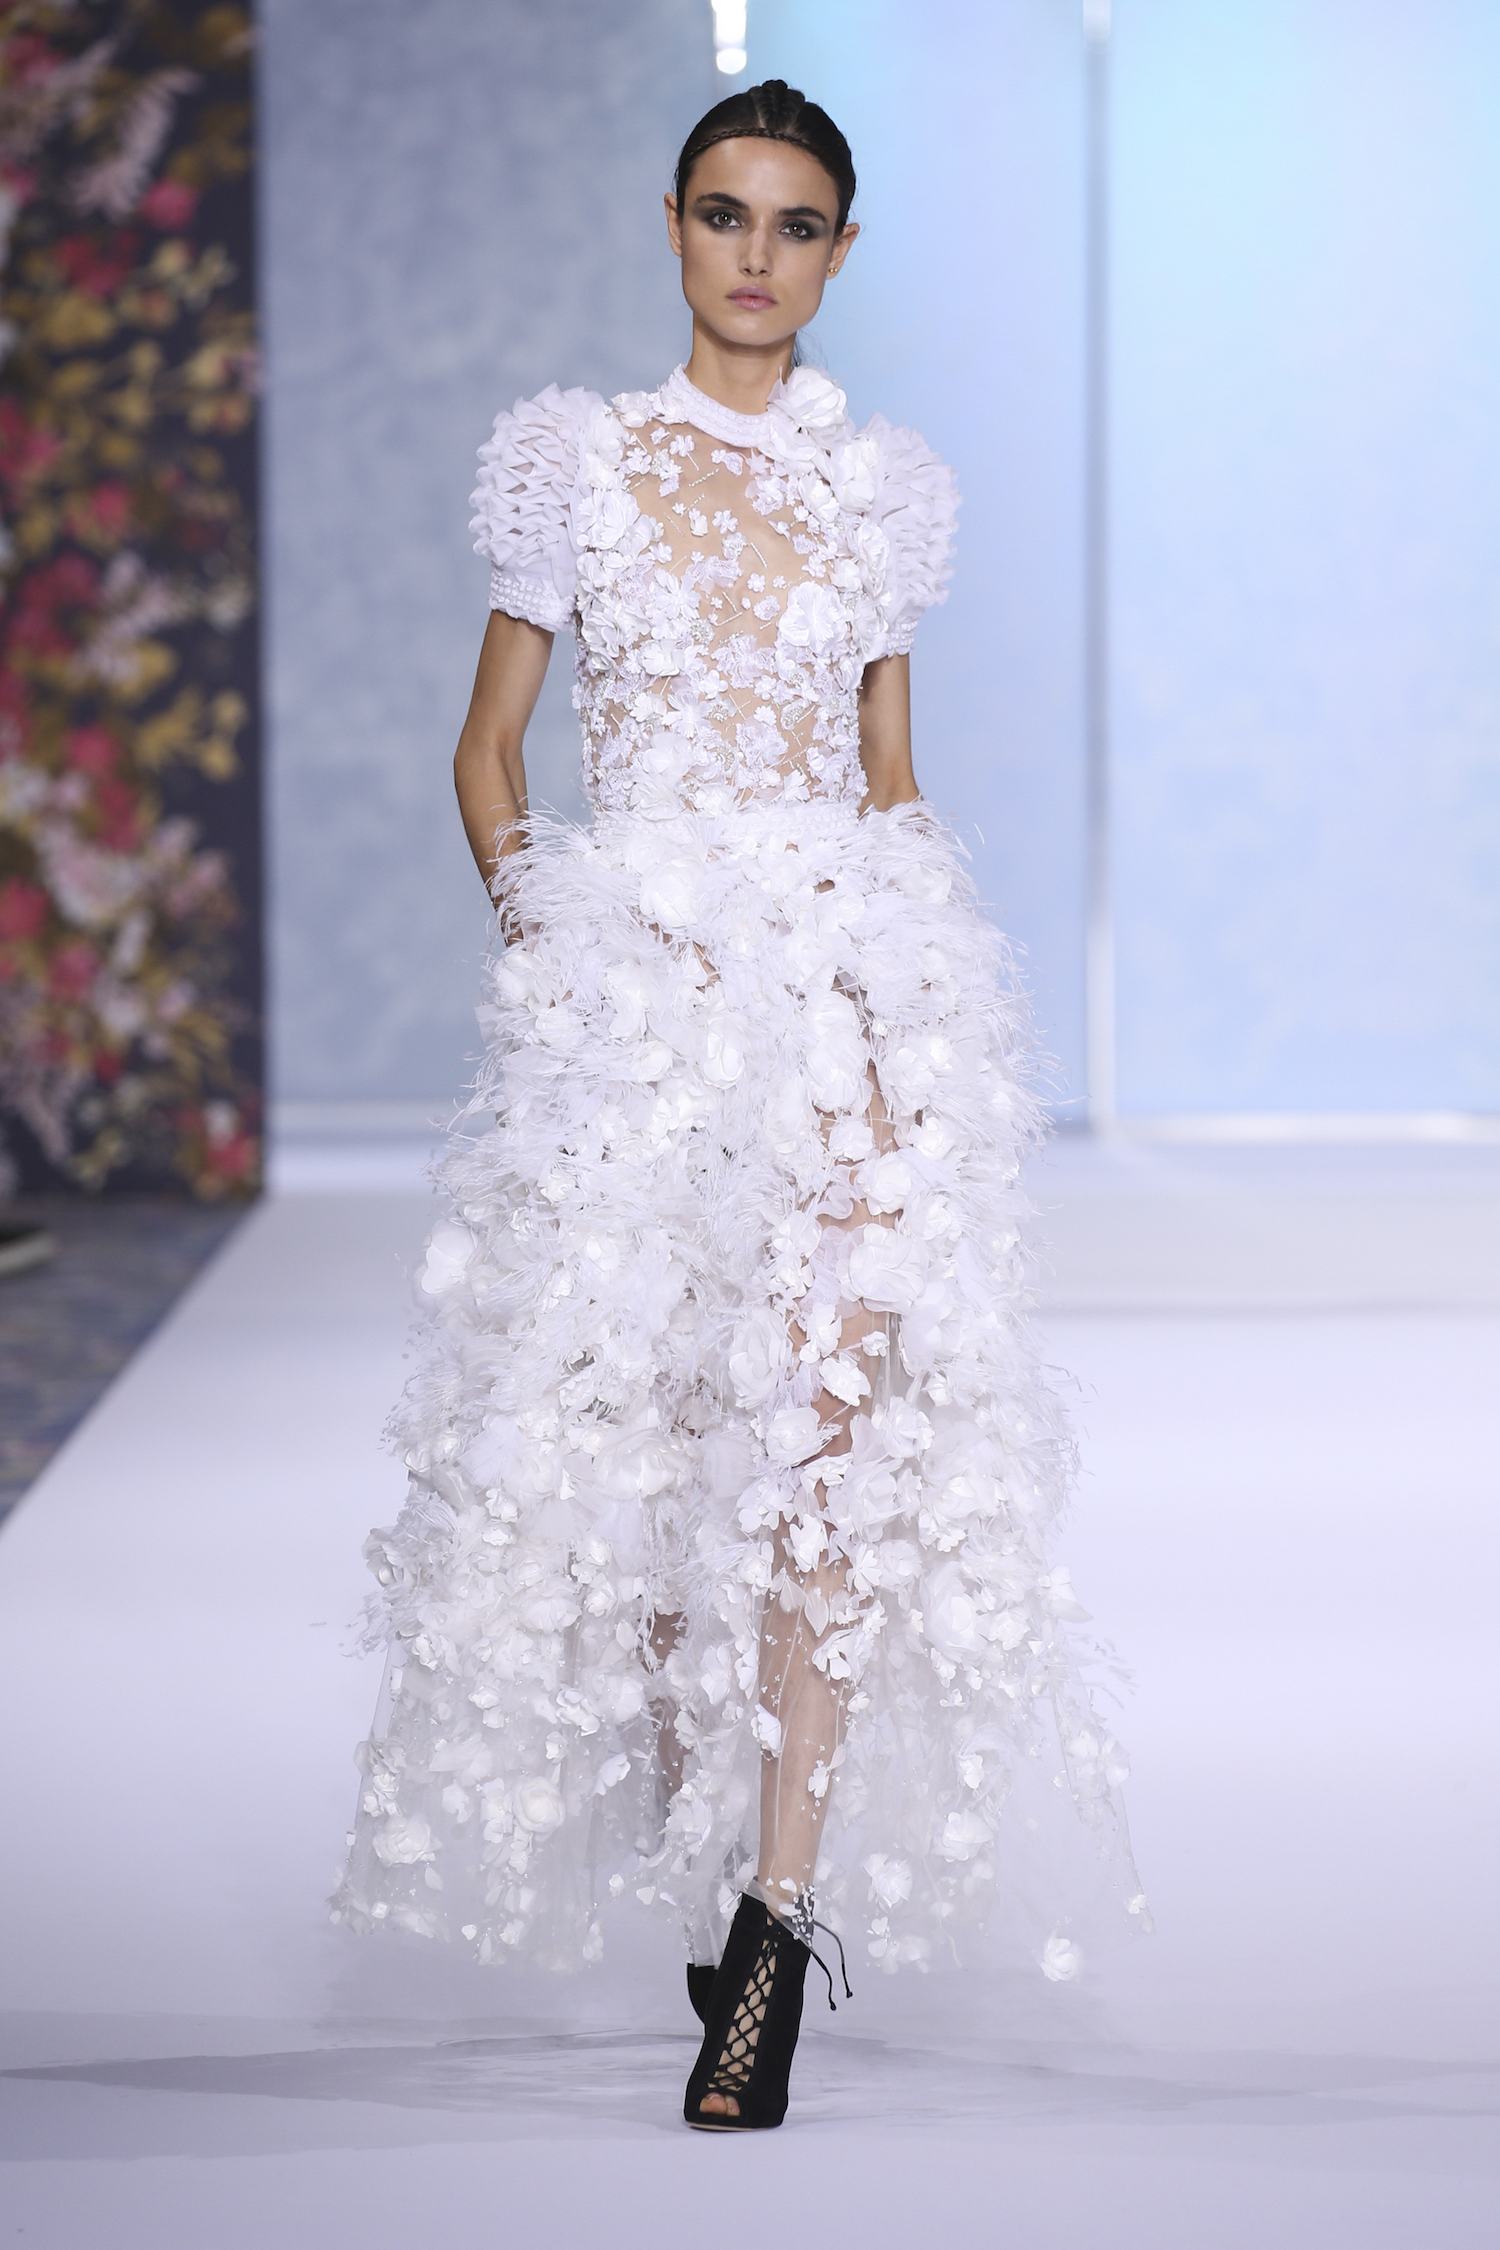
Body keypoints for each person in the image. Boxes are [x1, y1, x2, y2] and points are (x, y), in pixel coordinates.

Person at [335, 78, 1145, 2132]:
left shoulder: (881, 489)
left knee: (824, 1478)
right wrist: (568, 967)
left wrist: (913, 1022)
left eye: (795, 223)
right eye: (724, 214)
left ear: (841, 252)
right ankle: (725, 1854)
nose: (757, 254)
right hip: (638, 1040)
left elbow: (886, 780)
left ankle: (776, 1932)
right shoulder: (579, 466)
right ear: (674, 229)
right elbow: (491, 756)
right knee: (663, 1497)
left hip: (846, 1023)